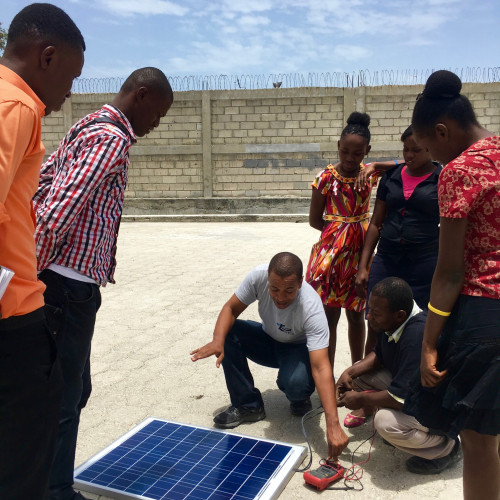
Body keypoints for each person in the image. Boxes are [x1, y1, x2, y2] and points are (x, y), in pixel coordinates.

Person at [33, 67, 173, 500]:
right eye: (159, 113)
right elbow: (55, 211)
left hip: (68, 286)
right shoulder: (110, 139)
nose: (157, 123)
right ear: (142, 95)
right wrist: (29, 280)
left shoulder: (88, 125)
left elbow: (41, 184)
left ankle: (41, 478)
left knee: (73, 391)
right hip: (65, 288)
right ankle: (54, 490)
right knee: (62, 398)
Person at [0, 4, 85, 499]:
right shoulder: (18, 106)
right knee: (21, 472)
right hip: (13, 327)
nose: (70, 90)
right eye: (71, 75)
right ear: (46, 57)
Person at [402, 70, 499, 499]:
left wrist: (429, 342)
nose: (433, 157)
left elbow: (450, 272)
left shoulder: (459, 172)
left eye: (429, 147)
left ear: (442, 131)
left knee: (479, 441)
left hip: (484, 316)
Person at [190, 252, 349, 462]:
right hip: (267, 339)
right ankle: (248, 405)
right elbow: (230, 308)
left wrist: (333, 424)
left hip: (297, 350)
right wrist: (218, 340)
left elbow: (321, 367)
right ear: (268, 279)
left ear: (301, 283)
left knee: (294, 383)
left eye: (289, 291)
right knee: (229, 331)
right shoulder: (257, 276)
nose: (280, 297)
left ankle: (300, 397)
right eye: (274, 289)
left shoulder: (311, 307)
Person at [337, 277, 461, 472]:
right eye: (370, 309)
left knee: (385, 423)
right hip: (413, 390)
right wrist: (349, 371)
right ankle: (411, 431)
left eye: (375, 314)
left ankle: (447, 448)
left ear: (399, 315)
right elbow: (379, 353)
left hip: (436, 408)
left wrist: (360, 399)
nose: (369, 317)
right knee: (359, 378)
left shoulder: (416, 337)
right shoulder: (395, 320)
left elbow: (400, 399)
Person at [356, 125, 441, 353]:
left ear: (430, 149)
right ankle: (369, 375)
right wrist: (364, 266)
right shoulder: (392, 176)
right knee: (375, 320)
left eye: (417, 150)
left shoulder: (441, 178)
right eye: (405, 150)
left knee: (419, 322)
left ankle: (408, 375)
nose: (409, 156)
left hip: (424, 262)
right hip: (387, 258)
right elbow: (375, 223)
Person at [306, 111, 377, 366]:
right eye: (344, 151)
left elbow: (403, 165)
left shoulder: (369, 175)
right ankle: (330, 375)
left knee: (357, 316)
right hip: (333, 260)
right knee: (330, 317)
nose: (349, 159)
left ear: (367, 150)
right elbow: (315, 220)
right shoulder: (325, 178)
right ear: (338, 146)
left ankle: (356, 372)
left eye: (357, 154)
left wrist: (374, 166)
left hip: (360, 258)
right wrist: (341, 231)